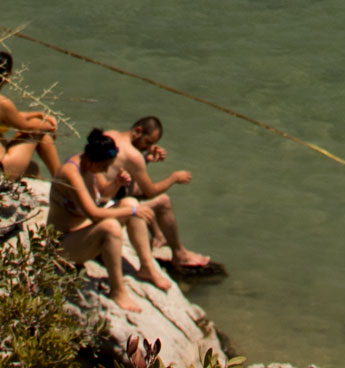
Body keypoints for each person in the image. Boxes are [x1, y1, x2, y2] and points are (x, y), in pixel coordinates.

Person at [48, 127, 171, 311]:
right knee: (114, 225)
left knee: (129, 201)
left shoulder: (90, 164)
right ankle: (117, 290)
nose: (106, 170)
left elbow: (103, 194)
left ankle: (147, 267)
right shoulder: (70, 172)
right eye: (104, 167)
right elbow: (94, 213)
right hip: (62, 244)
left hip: (84, 232)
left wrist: (117, 184)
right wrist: (132, 211)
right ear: (91, 161)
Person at [103, 116, 219, 275]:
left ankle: (158, 236)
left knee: (137, 190)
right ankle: (179, 254)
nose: (148, 147)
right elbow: (150, 191)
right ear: (138, 131)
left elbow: (123, 170)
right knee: (163, 201)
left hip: (103, 195)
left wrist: (146, 159)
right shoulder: (133, 155)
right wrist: (174, 178)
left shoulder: (110, 135)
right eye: (148, 142)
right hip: (105, 208)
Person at [0, 47, 61, 180]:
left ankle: (56, 180)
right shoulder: (3, 103)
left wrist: (36, 113)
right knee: (39, 127)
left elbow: (6, 117)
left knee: (33, 169)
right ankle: (61, 180)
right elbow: (28, 127)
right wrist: (50, 127)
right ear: (8, 75)